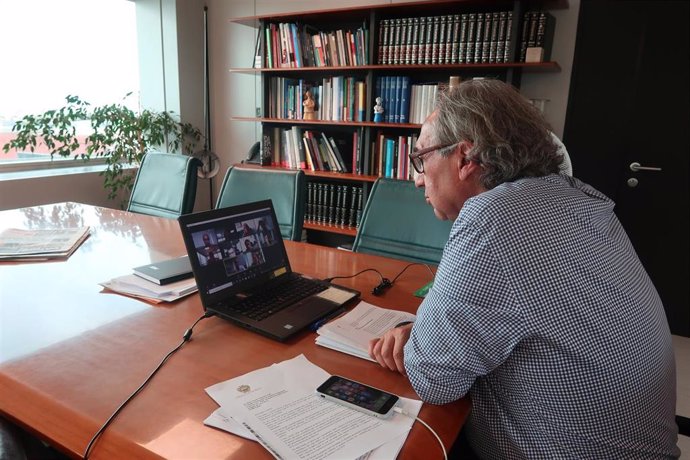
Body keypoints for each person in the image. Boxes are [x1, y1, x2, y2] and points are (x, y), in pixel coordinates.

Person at [368, 79, 679, 458]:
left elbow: (433, 378)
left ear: (465, 158)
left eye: (421, 158)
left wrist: (420, 337)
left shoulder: (493, 218)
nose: (416, 178)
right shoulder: (576, 194)